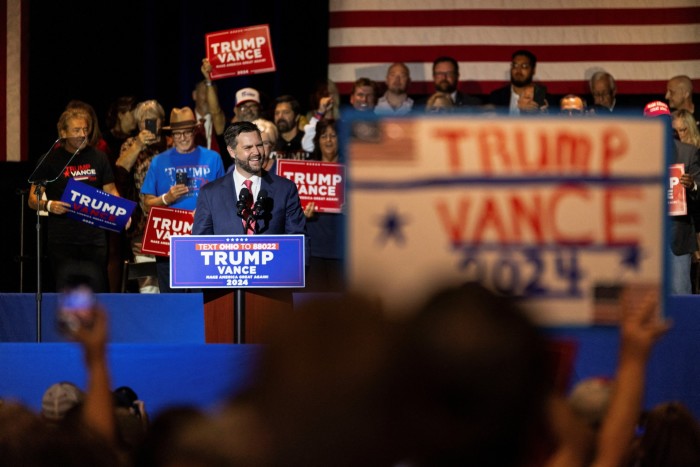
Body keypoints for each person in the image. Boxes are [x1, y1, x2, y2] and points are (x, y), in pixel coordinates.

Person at [28, 108, 121, 292]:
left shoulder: (99, 158)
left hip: (94, 241)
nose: (82, 135)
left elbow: (111, 191)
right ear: (63, 133)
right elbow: (32, 199)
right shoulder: (49, 160)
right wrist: (49, 205)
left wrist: (121, 212)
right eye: (76, 130)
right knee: (67, 296)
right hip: (63, 242)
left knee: (97, 294)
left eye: (85, 130)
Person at [140, 106, 224, 292]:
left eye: (187, 132)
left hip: (203, 237)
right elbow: (147, 204)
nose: (183, 138)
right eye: (178, 134)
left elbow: (224, 199)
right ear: (171, 135)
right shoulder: (159, 161)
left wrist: (205, 210)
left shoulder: (213, 158)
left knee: (201, 298)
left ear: (195, 131)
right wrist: (166, 198)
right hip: (169, 240)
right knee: (172, 299)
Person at [193, 121, 305, 238]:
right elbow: (199, 244)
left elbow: (299, 242)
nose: (256, 152)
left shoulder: (286, 189)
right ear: (232, 152)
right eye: (248, 147)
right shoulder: (209, 194)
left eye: (259, 145)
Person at [644, 101, 700, 294]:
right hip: (644, 238)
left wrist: (692, 184)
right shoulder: (633, 153)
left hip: (677, 238)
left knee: (680, 294)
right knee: (646, 299)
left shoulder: (688, 152)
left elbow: (699, 190)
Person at [114, 99, 168, 293]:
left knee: (171, 281)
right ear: (137, 124)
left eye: (152, 120)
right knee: (149, 286)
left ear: (161, 121)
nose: (148, 125)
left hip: (169, 225)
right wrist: (138, 145)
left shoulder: (170, 144)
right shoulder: (130, 144)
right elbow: (119, 172)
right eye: (143, 121)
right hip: (141, 226)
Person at [303, 119, 345, 292]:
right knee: (314, 309)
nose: (328, 140)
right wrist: (302, 213)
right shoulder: (304, 171)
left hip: (343, 251)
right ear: (317, 141)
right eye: (324, 136)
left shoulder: (353, 170)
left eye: (333, 136)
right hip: (314, 252)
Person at [489, 49, 549, 114]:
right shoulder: (496, 97)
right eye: (515, 66)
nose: (518, 70)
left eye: (524, 66)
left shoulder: (543, 97)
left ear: (533, 70)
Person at [193, 58, 226, 158]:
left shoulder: (220, 123)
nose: (208, 97)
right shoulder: (185, 121)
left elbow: (215, 112)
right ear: (194, 95)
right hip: (189, 172)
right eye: (204, 91)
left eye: (212, 93)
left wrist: (209, 81)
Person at [273, 94, 309, 160]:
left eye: (286, 112)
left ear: (297, 117)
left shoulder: (307, 141)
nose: (280, 117)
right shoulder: (272, 142)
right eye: (277, 113)